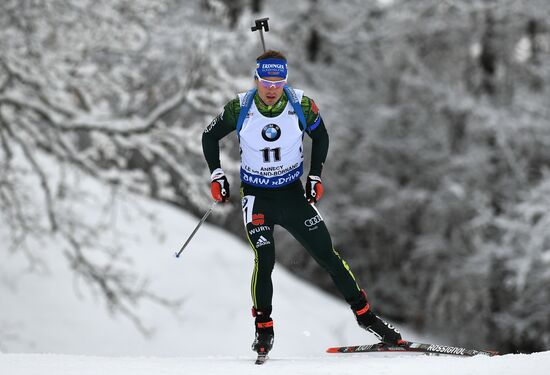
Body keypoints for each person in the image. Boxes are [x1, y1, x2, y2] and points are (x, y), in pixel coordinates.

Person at [202, 50, 404, 355]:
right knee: (265, 257)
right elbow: (209, 136)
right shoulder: (240, 106)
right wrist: (217, 175)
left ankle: (367, 317)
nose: (272, 88)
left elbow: (321, 137)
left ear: (285, 80)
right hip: (257, 197)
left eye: (278, 81)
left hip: (293, 194)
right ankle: (264, 329)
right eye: (266, 81)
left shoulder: (300, 104)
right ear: (256, 79)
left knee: (327, 255)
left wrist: (315, 176)